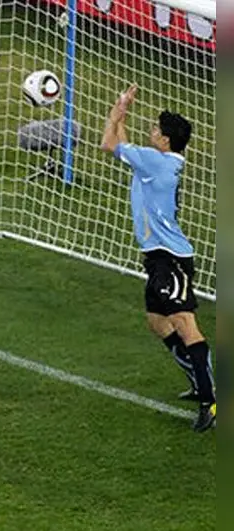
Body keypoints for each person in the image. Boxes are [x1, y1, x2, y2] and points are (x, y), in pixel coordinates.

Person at [99, 84, 215, 432]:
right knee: (157, 322)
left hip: (170, 258)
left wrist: (115, 114)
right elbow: (127, 151)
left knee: (184, 322)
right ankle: (199, 379)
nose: (151, 132)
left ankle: (211, 400)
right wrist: (123, 114)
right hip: (158, 257)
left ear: (165, 140)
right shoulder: (160, 162)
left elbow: (108, 144)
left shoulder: (155, 163)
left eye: (155, 129)